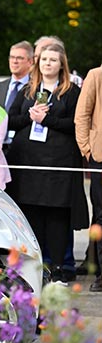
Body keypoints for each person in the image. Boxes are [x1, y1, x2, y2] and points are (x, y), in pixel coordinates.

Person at [5, 43, 87, 283]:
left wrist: (47, 119)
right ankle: (38, 267)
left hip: (58, 166)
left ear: (62, 64)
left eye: (53, 60)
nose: (48, 63)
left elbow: (75, 124)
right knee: (33, 215)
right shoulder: (28, 90)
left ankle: (59, 268)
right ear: (38, 63)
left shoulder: (71, 91)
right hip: (30, 164)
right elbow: (12, 120)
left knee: (56, 217)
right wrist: (31, 116)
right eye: (44, 59)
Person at [75, 66, 102, 291]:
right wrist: (88, 149)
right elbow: (82, 115)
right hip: (100, 157)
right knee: (101, 215)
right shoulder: (96, 75)